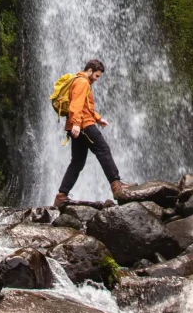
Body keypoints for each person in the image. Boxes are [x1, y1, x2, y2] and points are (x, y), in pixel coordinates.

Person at [53, 59, 133, 206]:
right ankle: (116, 185)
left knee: (77, 162)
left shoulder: (79, 81)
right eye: (96, 76)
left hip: (78, 124)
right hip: (84, 125)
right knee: (103, 150)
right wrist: (77, 123)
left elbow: (85, 106)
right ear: (89, 70)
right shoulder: (82, 82)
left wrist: (98, 118)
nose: (97, 79)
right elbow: (76, 104)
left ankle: (61, 195)